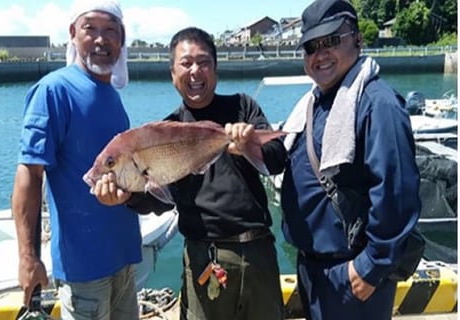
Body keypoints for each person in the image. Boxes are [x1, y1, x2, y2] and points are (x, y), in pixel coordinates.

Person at [95, 27, 287, 320]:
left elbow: (277, 161)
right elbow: (161, 202)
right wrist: (125, 198)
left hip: (258, 249)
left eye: (203, 62)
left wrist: (250, 143)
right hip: (204, 256)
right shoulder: (163, 131)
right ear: (172, 72)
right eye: (185, 63)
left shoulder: (242, 107)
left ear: (216, 68)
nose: (195, 71)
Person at [279, 0, 421, 319]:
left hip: (350, 272)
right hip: (313, 268)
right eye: (311, 47)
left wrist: (372, 266)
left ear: (358, 39)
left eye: (331, 41)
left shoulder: (376, 103)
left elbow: (396, 194)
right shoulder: (315, 102)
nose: (320, 54)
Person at [12, 1, 145, 319]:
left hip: (124, 256)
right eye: (91, 29)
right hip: (84, 269)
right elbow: (29, 175)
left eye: (111, 30)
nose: (102, 39)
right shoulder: (54, 90)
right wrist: (28, 258)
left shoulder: (111, 94)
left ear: (122, 39)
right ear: (73, 34)